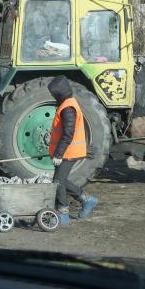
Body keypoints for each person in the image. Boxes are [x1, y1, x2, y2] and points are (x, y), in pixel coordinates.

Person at [47, 75, 99, 225]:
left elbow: (68, 134)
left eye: (53, 93)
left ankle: (63, 213)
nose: (52, 96)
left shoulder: (68, 108)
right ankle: (87, 200)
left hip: (70, 152)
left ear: (59, 93)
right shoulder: (67, 104)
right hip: (68, 151)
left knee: (58, 181)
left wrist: (58, 154)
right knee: (60, 180)